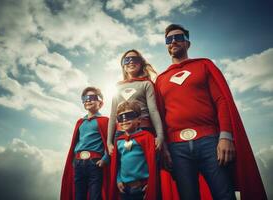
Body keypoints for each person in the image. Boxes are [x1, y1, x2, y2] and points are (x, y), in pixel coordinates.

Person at [155, 24, 267, 200]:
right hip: (177, 148)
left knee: (224, 195)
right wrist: (165, 149)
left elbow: (221, 100)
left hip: (211, 142)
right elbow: (159, 116)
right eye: (169, 39)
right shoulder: (160, 79)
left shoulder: (203, 65)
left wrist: (225, 137)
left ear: (188, 43)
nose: (174, 41)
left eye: (178, 38)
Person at [107, 49, 164, 155]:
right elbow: (113, 115)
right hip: (121, 132)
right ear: (123, 65)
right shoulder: (118, 87)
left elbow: (153, 110)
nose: (131, 62)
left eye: (135, 59)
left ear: (141, 63)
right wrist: (109, 142)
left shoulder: (146, 84)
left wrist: (160, 136)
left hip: (143, 129)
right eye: (127, 60)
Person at [60, 87, 109, 200]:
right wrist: (73, 160)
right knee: (79, 196)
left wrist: (105, 159)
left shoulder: (105, 121)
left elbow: (109, 142)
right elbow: (76, 142)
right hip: (78, 163)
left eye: (92, 98)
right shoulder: (80, 122)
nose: (88, 100)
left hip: (95, 163)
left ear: (100, 102)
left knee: (95, 196)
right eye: (85, 98)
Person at [110, 101, 157, 200]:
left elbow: (153, 162)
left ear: (139, 119)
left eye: (129, 116)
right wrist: (118, 180)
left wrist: (150, 183)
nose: (124, 120)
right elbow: (117, 164)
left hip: (141, 187)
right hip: (124, 188)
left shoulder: (146, 137)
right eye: (120, 118)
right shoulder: (119, 141)